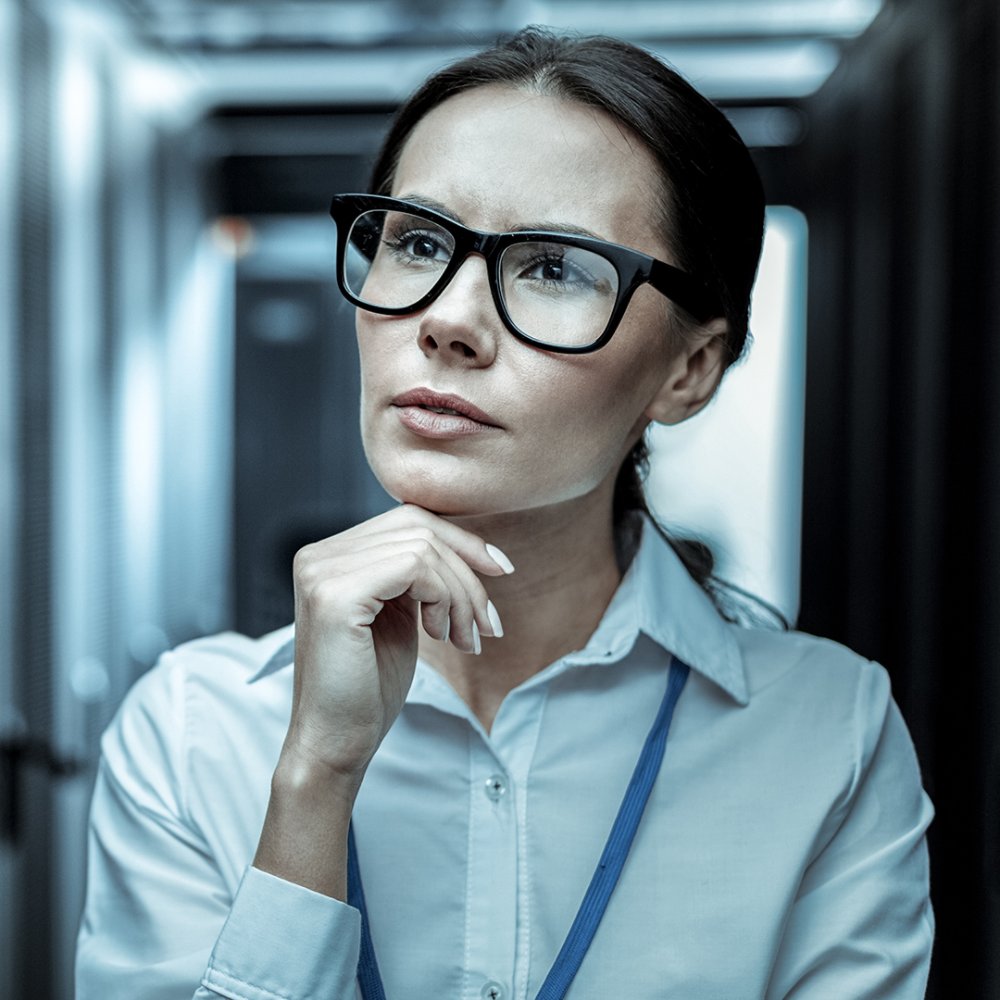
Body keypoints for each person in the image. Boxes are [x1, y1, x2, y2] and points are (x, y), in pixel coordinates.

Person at [76, 26, 934, 1000]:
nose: (447, 320)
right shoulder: (195, 730)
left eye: (554, 267)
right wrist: (314, 777)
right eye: (420, 242)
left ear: (688, 369)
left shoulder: (827, 734)